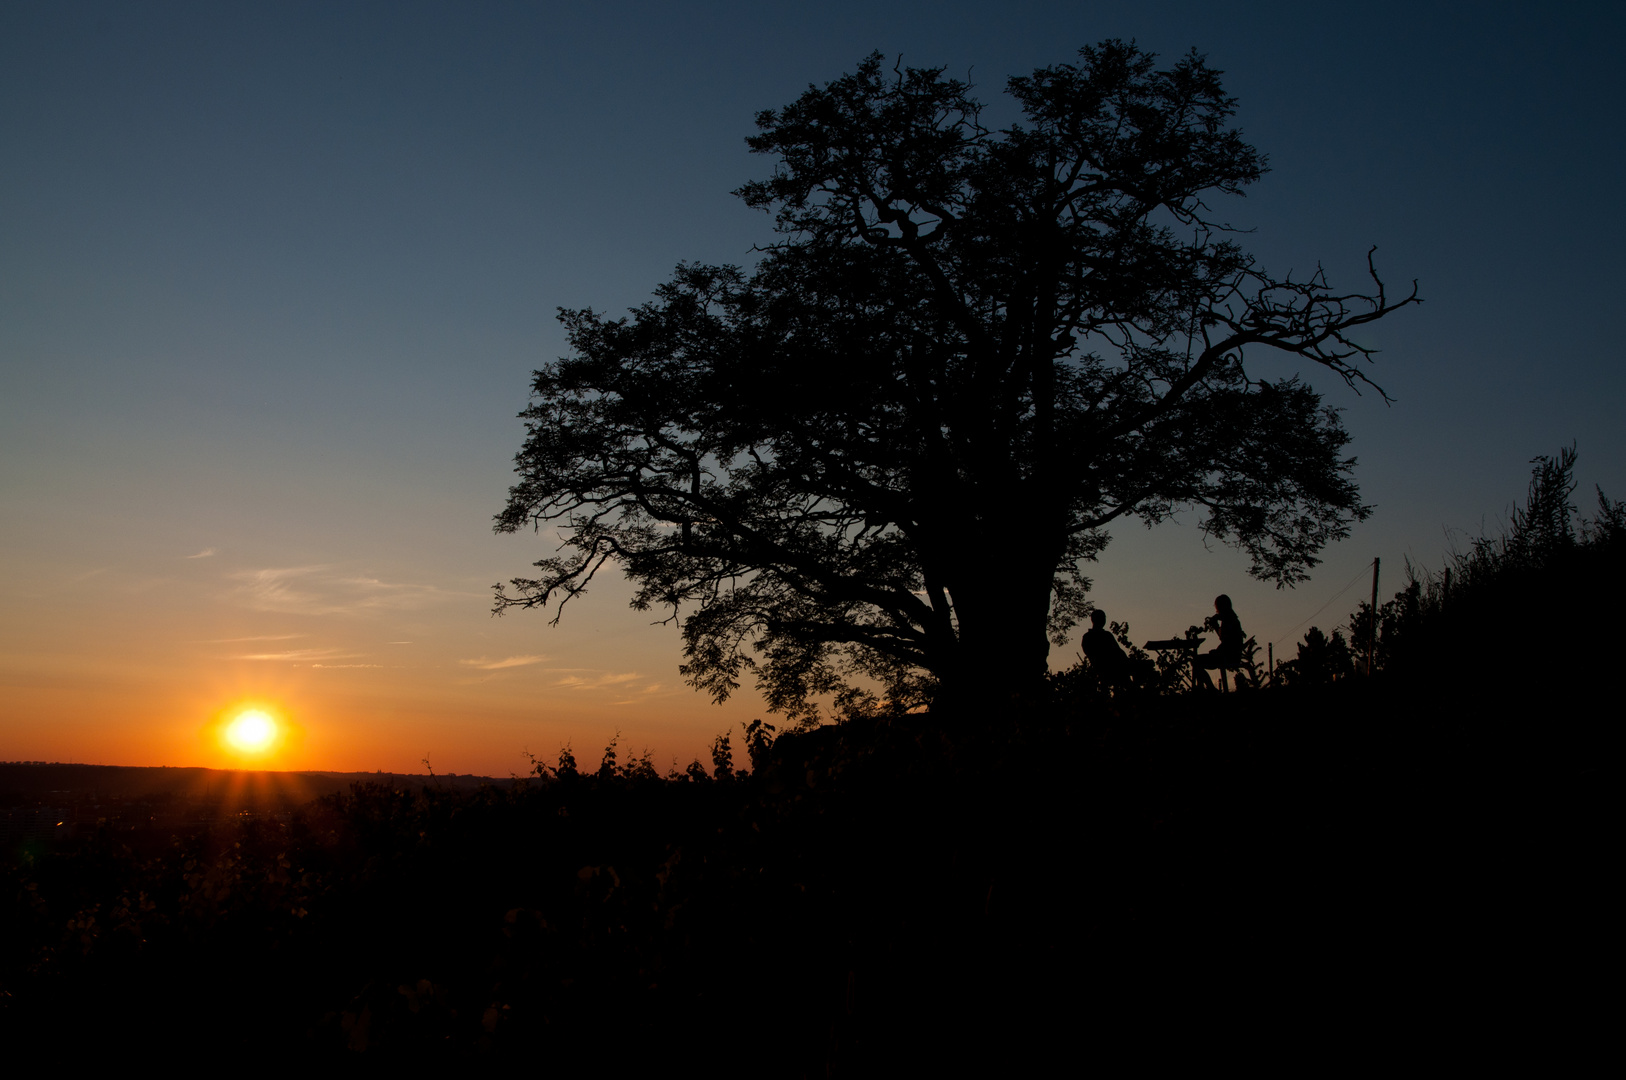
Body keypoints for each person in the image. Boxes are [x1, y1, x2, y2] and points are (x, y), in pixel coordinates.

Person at [1196, 594, 1245, 690]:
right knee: (1198, 660)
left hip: (1228, 656)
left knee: (1197, 661)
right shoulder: (1231, 619)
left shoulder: (1229, 620)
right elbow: (1226, 640)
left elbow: (1226, 641)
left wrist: (1215, 626)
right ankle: (1207, 688)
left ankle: (1209, 689)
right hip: (1230, 655)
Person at [1080, 609, 1130, 689]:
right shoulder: (1089, 637)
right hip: (1107, 669)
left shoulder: (1105, 635)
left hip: (1113, 667)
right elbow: (1094, 655)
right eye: (1101, 618)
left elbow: (1119, 652)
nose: (1103, 620)